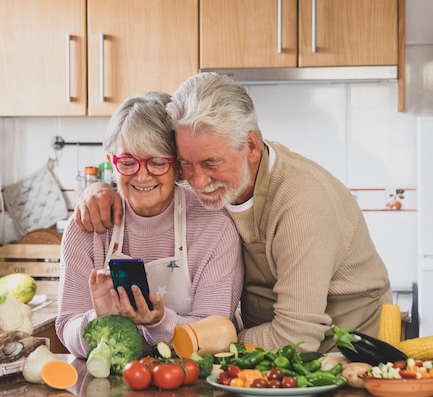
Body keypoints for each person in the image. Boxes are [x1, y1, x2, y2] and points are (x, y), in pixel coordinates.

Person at [74, 73, 393, 353]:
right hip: (264, 349)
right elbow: (143, 169)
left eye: (211, 164)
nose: (196, 181)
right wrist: (101, 189)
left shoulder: (301, 204)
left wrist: (206, 339)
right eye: (185, 164)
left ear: (251, 147)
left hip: (339, 348)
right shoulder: (213, 173)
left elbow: (297, 335)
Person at [55, 92, 244, 358]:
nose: (142, 176)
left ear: (178, 166)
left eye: (157, 162)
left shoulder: (213, 226)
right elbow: (66, 328)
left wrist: (159, 322)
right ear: (112, 163)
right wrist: (98, 319)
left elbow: (214, 334)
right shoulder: (88, 226)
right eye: (128, 162)